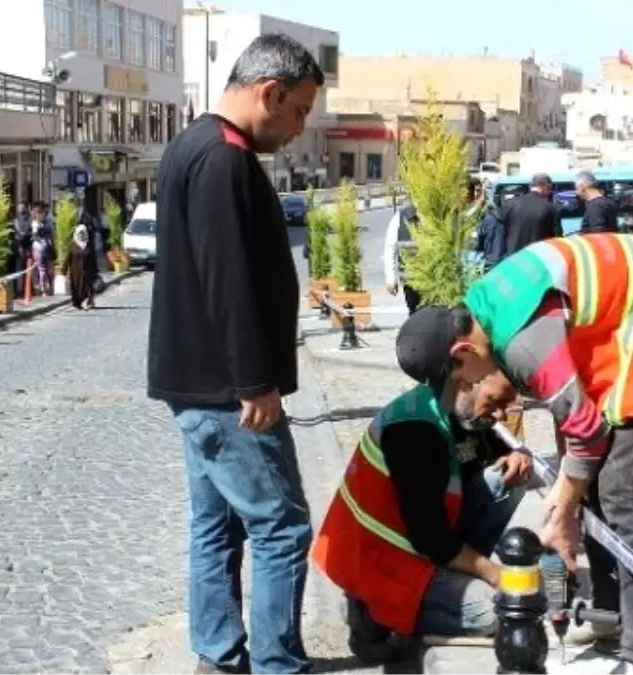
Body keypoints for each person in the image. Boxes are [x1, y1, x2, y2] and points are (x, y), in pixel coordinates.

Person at [394, 233, 633, 670]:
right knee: (590, 480)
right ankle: (612, 616)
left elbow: (585, 431)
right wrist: (571, 495)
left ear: (462, 351)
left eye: (462, 382)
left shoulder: (518, 340)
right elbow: (569, 416)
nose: (472, 390)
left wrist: (563, 512)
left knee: (625, 488)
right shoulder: (485, 310)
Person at [146, 34, 325, 675]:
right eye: (299, 110)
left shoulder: (194, 145)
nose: (301, 126)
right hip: (229, 393)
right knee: (281, 527)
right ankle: (276, 663)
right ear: (268, 92)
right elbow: (227, 281)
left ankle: (218, 657)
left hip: (198, 384)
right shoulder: (221, 158)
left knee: (217, 524)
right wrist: (255, 382)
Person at [311, 371, 533, 663]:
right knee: (495, 613)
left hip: (420, 541)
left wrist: (517, 454)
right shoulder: (416, 432)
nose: (501, 414)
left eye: (506, 404)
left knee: (506, 481)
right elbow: (432, 540)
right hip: (380, 558)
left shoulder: (465, 407)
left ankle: (443, 587)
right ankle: (373, 615)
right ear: (466, 381)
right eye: (495, 401)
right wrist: (493, 574)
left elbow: (487, 455)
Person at [499, 172, 561, 256]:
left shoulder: (511, 204)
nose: (550, 192)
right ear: (546, 186)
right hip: (538, 259)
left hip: (513, 258)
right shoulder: (552, 209)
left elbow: (501, 231)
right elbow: (557, 240)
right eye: (550, 189)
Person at [384, 201, 423, 314]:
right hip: (411, 279)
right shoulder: (400, 217)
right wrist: (391, 278)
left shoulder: (438, 213)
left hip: (436, 278)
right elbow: (390, 247)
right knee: (415, 313)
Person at [68, 224, 97, 310]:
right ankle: (78, 302)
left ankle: (86, 301)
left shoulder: (89, 245)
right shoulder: (72, 245)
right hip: (76, 272)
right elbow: (68, 258)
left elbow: (93, 259)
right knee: (77, 288)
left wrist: (95, 271)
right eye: (79, 234)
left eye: (83, 233)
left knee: (87, 287)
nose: (81, 235)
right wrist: (64, 271)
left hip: (87, 271)